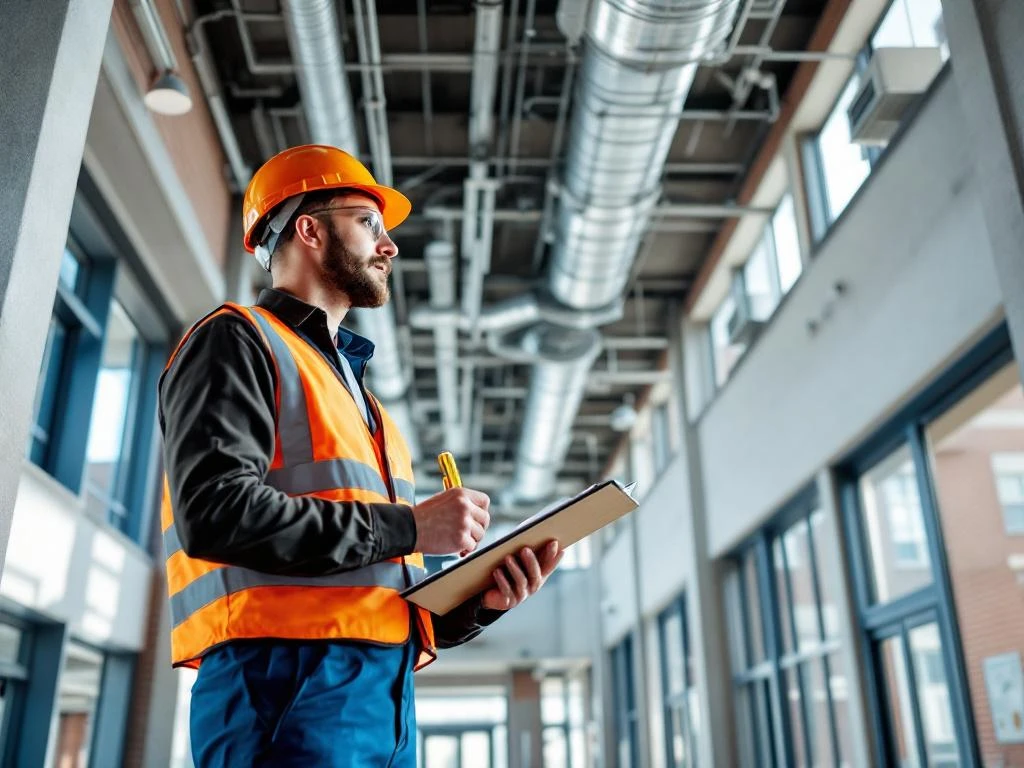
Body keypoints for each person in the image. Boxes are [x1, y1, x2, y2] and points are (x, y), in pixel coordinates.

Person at [158, 144, 564, 767]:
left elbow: (373, 588)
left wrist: (478, 605)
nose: (389, 246)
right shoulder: (236, 339)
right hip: (281, 683)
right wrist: (412, 526)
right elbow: (215, 513)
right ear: (310, 230)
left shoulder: (366, 406)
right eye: (369, 222)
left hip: (384, 699)